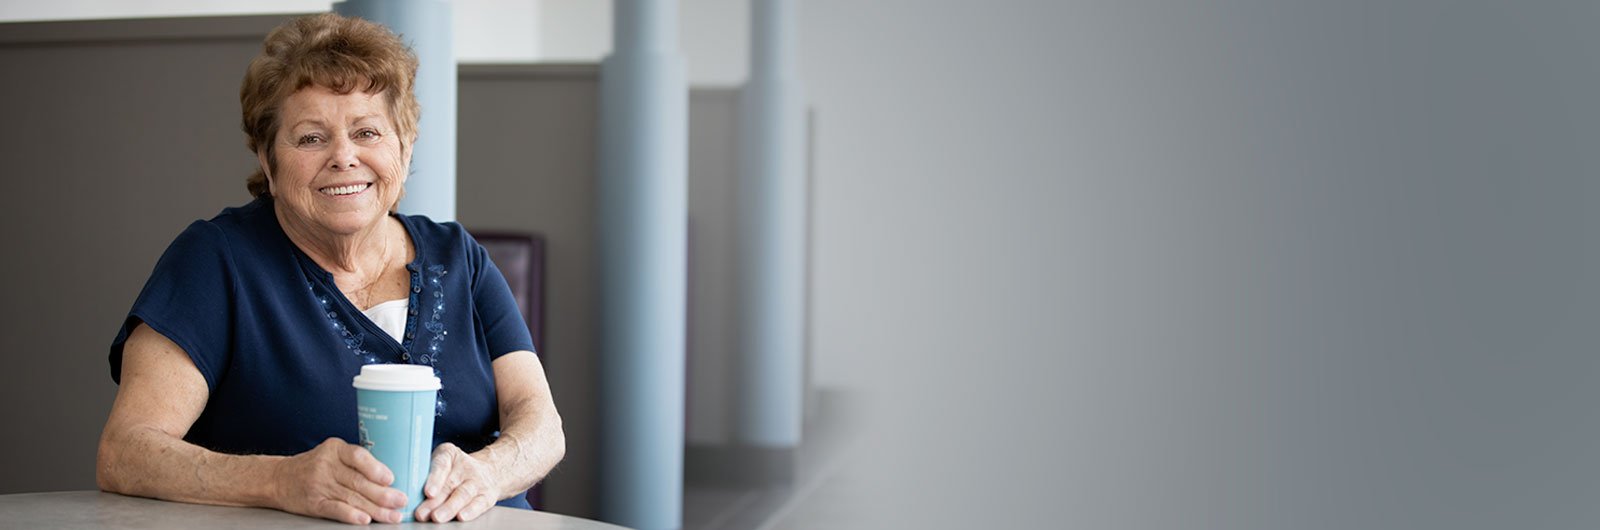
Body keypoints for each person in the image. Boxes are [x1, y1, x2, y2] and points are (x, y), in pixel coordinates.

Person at [94, 13, 564, 525]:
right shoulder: (216, 260)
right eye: (311, 138)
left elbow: (541, 425)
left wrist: (488, 473)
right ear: (269, 164)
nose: (344, 157)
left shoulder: (459, 257)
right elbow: (126, 452)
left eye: (367, 132)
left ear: (403, 151)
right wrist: (279, 480)